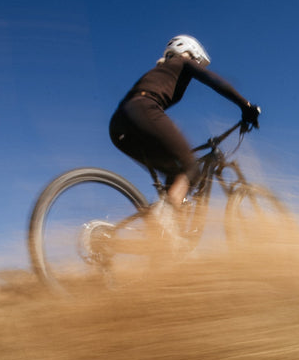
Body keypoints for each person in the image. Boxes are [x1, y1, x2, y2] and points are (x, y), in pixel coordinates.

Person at [109, 35, 261, 221]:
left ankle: (163, 233)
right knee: (191, 169)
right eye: (197, 62)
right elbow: (214, 80)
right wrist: (245, 106)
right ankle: (165, 219)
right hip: (143, 110)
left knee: (174, 174)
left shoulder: (162, 70)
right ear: (191, 53)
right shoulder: (183, 62)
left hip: (119, 124)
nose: (197, 64)